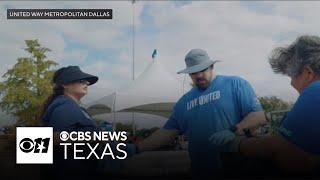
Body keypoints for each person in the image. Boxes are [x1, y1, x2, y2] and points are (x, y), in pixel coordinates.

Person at [136, 49, 266, 175]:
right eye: (193, 72)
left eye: (202, 70)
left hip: (235, 168)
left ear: (212, 67)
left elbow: (259, 117)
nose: (198, 75)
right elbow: (167, 132)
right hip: (200, 170)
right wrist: (136, 148)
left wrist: (234, 130)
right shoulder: (184, 102)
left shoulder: (235, 84)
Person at [210, 35, 320, 175]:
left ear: (308, 73)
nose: (291, 83)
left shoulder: (315, 90)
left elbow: (280, 150)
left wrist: (236, 144)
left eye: (291, 76)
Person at [40, 66, 99, 179]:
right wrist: (101, 136)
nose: (87, 82)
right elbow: (57, 138)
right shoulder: (64, 104)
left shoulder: (74, 106)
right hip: (68, 172)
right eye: (81, 80)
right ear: (65, 84)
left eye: (86, 81)